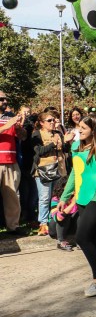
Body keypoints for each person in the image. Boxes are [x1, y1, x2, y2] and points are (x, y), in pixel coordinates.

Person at [59, 115, 96, 295]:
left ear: (94, 130)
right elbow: (74, 174)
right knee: (92, 238)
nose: (80, 130)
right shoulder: (76, 147)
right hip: (82, 196)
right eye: (80, 127)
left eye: (84, 128)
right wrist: (64, 197)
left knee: (82, 237)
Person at [31, 111, 67, 235]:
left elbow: (65, 150)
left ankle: (54, 221)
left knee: (56, 197)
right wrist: (53, 144)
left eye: (54, 120)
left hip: (59, 170)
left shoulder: (58, 133)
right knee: (44, 198)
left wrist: (67, 142)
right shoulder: (37, 134)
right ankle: (43, 223)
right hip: (44, 171)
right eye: (49, 120)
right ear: (42, 123)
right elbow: (39, 151)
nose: (52, 122)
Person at [0, 91, 24, 235]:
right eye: (1, 99)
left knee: (13, 197)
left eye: (5, 99)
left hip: (11, 162)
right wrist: (8, 125)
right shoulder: (10, 121)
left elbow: (22, 137)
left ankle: (13, 226)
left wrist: (20, 128)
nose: (5, 101)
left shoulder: (10, 117)